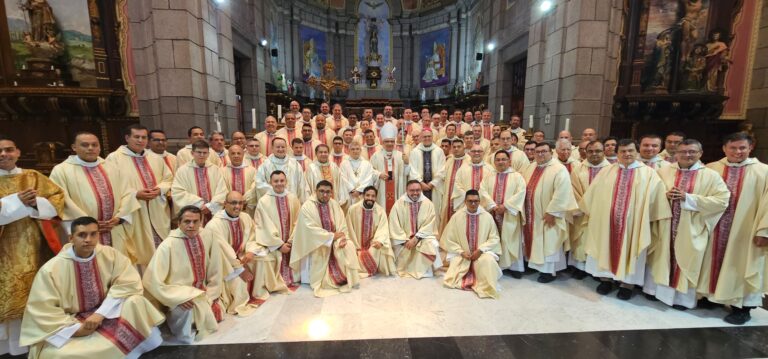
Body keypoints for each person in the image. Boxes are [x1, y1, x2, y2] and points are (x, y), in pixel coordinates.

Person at [20, 217, 164, 358]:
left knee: (136, 301)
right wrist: (76, 329)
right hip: (72, 320)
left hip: (106, 312)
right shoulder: (52, 269)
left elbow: (128, 284)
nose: (88, 239)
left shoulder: (110, 254)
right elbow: (43, 310)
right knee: (59, 354)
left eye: (93, 234)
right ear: (71, 238)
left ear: (98, 235)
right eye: (82, 235)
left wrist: (100, 314)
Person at [643, 139, 729, 310]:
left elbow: (722, 200)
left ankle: (682, 300)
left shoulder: (710, 175)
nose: (687, 155)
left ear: (700, 153)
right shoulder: (663, 171)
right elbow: (650, 194)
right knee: (661, 257)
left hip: (692, 228)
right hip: (665, 226)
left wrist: (688, 198)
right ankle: (655, 291)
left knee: (687, 260)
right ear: (676, 154)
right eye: (683, 152)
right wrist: (664, 195)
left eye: (692, 152)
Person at [581, 139, 671, 300]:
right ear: (618, 153)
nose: (627, 154)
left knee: (632, 251)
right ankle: (605, 280)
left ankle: (627, 285)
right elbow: (593, 197)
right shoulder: (607, 171)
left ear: (636, 152)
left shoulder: (648, 173)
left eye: (630, 151)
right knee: (604, 248)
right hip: (607, 224)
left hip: (633, 226)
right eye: (622, 151)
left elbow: (656, 200)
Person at [0, 137, 64, 356]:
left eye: (9, 150)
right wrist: (18, 201)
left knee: (39, 288)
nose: (4, 154)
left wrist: (37, 203)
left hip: (36, 244)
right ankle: (11, 346)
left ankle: (39, 338)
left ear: (18, 152)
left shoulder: (33, 177)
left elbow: (57, 200)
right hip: (3, 250)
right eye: (0, 151)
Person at [699, 133, 768, 324]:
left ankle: (743, 308)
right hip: (715, 227)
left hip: (746, 230)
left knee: (744, 264)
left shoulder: (763, 171)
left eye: (742, 148)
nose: (738, 152)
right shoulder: (712, 168)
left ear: (750, 148)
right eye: (733, 148)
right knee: (710, 261)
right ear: (724, 148)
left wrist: (764, 231)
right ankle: (712, 297)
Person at [50, 132, 140, 261]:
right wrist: (88, 223)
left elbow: (128, 193)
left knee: (116, 265)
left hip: (113, 228)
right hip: (84, 233)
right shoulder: (61, 170)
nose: (90, 148)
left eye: (94, 145)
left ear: (99, 147)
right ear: (74, 147)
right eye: (85, 145)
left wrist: (119, 218)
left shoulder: (112, 167)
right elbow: (62, 201)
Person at [142, 206, 225, 343]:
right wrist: (178, 298)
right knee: (187, 314)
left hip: (203, 292)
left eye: (195, 221)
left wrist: (212, 293)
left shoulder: (207, 235)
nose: (191, 225)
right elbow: (151, 281)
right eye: (187, 221)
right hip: (179, 296)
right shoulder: (168, 245)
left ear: (201, 222)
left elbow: (215, 267)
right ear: (179, 223)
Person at [106, 124, 173, 265]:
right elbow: (111, 186)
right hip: (135, 211)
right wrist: (135, 194)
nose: (140, 140)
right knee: (140, 249)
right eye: (136, 137)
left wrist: (159, 189)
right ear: (127, 138)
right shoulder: (114, 158)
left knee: (162, 248)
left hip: (157, 209)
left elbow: (169, 178)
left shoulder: (155, 157)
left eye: (144, 137)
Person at [290, 181, 360, 297]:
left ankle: (346, 277)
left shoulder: (334, 204)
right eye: (321, 191)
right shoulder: (308, 206)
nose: (325, 195)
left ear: (331, 193)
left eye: (328, 192)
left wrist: (343, 238)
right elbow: (309, 229)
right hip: (315, 244)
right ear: (315, 191)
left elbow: (342, 223)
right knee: (321, 251)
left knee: (349, 246)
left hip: (334, 240)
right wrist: (331, 236)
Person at [521, 142, 578, 283]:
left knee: (549, 241)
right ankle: (533, 263)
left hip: (548, 215)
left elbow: (563, 192)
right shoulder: (531, 167)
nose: (540, 154)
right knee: (535, 239)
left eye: (544, 151)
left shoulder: (559, 169)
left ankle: (548, 271)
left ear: (551, 153)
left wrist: (553, 212)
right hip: (531, 214)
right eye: (537, 151)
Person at [203, 192, 260, 316]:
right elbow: (223, 252)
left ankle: (258, 292)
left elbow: (252, 236)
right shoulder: (214, 225)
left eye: (240, 203)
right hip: (224, 264)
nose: (237, 206)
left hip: (240, 255)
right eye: (233, 203)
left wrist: (250, 251)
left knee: (263, 261)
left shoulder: (245, 217)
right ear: (225, 204)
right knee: (239, 284)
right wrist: (240, 270)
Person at [251, 171, 302, 301]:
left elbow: (299, 221)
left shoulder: (293, 198)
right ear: (270, 182)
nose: (279, 184)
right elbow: (263, 225)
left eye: (281, 181)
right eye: (276, 181)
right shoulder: (264, 201)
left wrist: (290, 241)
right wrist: (279, 245)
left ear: (286, 182)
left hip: (292, 243)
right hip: (273, 246)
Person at [442, 190, 502, 298]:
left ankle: (485, 285)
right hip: (463, 255)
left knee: (488, 262)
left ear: (479, 202)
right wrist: (461, 252)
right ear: (465, 201)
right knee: (454, 271)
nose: (473, 204)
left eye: (476, 201)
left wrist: (480, 250)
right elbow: (448, 239)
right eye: (470, 201)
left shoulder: (487, 217)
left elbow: (494, 238)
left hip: (481, 253)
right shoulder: (457, 217)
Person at [479, 151, 526, 277]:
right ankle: (493, 264)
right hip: (492, 213)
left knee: (510, 239)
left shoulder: (517, 176)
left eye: (503, 159)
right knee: (492, 238)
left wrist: (506, 206)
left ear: (509, 161)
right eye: (498, 160)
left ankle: (514, 267)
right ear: (494, 162)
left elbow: (521, 193)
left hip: (509, 214)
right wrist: (493, 206)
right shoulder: (489, 176)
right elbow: (482, 191)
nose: (501, 162)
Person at [568, 140, 611, 278]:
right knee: (581, 239)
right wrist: (585, 208)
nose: (594, 154)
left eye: (598, 151)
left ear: (604, 151)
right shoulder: (578, 169)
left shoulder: (611, 170)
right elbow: (574, 190)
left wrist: (598, 209)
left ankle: (598, 273)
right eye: (590, 151)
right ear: (585, 152)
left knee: (599, 242)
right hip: (582, 213)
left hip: (602, 215)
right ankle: (580, 268)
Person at [389, 180, 442, 279]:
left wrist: (417, 237)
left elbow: (429, 224)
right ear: (406, 190)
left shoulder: (428, 203)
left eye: (418, 190)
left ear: (421, 190)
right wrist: (405, 240)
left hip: (422, 238)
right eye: (412, 190)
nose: (415, 193)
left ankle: (428, 269)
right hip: (404, 240)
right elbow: (394, 225)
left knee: (433, 243)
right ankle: (417, 269)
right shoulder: (399, 204)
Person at [171, 140, 228, 225]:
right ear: (192, 153)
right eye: (199, 152)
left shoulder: (215, 169)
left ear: (208, 154)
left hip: (213, 212)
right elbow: (178, 192)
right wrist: (199, 204)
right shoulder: (183, 170)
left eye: (205, 153)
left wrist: (210, 206)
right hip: (193, 214)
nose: (202, 155)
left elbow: (222, 190)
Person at [346, 186, 396, 277]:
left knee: (385, 245)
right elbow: (349, 229)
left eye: (373, 196)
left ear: (376, 197)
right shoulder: (353, 209)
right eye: (368, 195)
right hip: (356, 246)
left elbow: (383, 228)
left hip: (372, 245)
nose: (370, 198)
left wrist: (379, 241)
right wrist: (356, 246)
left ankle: (367, 267)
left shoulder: (380, 211)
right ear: (363, 196)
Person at [370, 123, 411, 214]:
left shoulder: (401, 156)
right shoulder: (376, 156)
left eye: (392, 141)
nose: (390, 143)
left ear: (394, 142)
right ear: (383, 142)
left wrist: (407, 163)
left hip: (397, 190)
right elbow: (369, 171)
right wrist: (379, 174)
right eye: (387, 141)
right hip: (381, 192)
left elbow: (407, 173)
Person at [254, 138, 309, 203]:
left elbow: (302, 185)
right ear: (272, 148)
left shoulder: (295, 164)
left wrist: (301, 202)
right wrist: (276, 189)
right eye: (278, 147)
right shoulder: (265, 165)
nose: (280, 149)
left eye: (283, 147)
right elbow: (259, 183)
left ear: (286, 148)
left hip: (292, 202)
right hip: (273, 202)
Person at [409, 130, 446, 216]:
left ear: (432, 137)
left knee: (435, 211)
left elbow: (443, 169)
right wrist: (421, 183)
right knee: (420, 212)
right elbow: (412, 169)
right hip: (419, 187)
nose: (427, 138)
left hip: (435, 188)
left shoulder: (439, 151)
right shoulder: (415, 152)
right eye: (425, 136)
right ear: (421, 138)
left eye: (429, 136)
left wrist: (433, 183)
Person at [452, 144, 495, 214]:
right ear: (470, 153)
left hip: (485, 205)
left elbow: (493, 188)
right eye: (474, 151)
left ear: (483, 153)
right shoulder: (462, 169)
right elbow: (457, 186)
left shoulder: (490, 169)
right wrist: (469, 199)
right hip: (467, 205)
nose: (476, 153)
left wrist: (484, 199)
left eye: (479, 151)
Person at [439, 139, 469, 234]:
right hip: (448, 196)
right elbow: (442, 176)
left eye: (459, 147)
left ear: (464, 147)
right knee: (446, 215)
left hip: (462, 197)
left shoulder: (469, 161)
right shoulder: (449, 160)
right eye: (454, 147)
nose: (456, 149)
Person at [220, 145, 256, 213]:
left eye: (239, 153)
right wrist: (233, 201)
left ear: (243, 154)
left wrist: (245, 199)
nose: (236, 156)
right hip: (230, 207)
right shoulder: (222, 171)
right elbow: (222, 189)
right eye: (233, 153)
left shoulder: (252, 170)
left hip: (247, 206)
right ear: (228, 155)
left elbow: (254, 187)